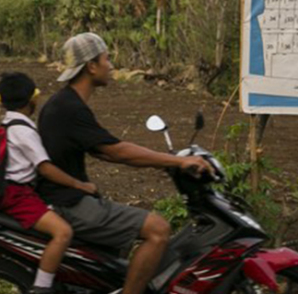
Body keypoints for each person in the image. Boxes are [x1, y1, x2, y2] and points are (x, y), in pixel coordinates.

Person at [37, 33, 214, 294]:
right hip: (67, 204)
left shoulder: (65, 103)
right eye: (107, 59)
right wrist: (177, 161)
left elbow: (102, 150)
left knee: (119, 242)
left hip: (62, 198)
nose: (111, 65)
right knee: (159, 230)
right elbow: (117, 151)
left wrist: (164, 161)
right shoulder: (70, 108)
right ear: (91, 66)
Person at [0, 72, 99, 294]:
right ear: (34, 99)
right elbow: (45, 168)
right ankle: (41, 287)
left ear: (0, 101)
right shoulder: (24, 131)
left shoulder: (6, 126)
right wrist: (79, 185)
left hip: (11, 193)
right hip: (19, 197)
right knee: (63, 233)